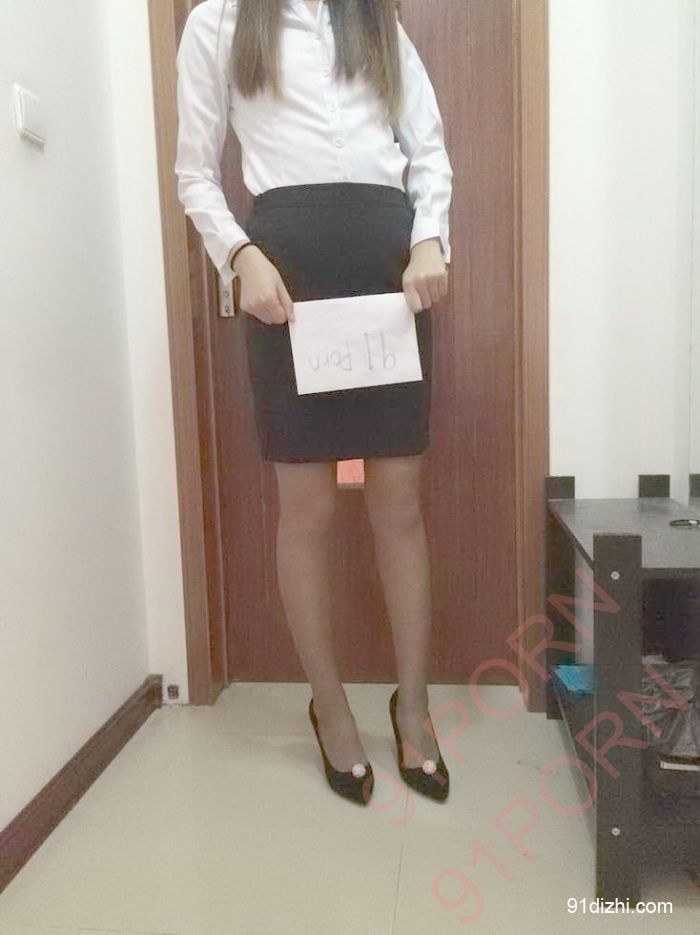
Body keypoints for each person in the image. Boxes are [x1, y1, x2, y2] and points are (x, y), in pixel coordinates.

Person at [175, 0, 453, 806]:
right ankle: (329, 708)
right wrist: (240, 256)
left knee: (398, 502)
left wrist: (430, 236)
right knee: (308, 509)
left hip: (389, 273)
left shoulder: (375, 18)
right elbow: (195, 171)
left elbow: (427, 147)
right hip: (287, 280)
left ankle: (414, 705)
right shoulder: (220, 21)